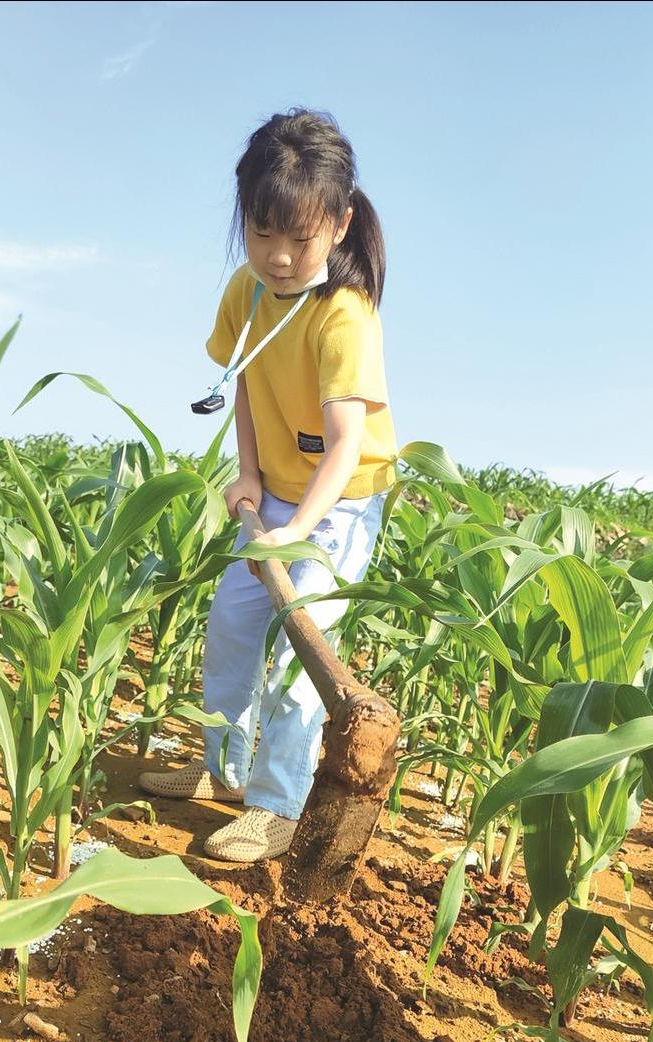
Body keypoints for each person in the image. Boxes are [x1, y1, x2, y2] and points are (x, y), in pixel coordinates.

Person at [139, 108, 399, 862]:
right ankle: (219, 767)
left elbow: (347, 443)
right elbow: (247, 383)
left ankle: (276, 806)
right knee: (230, 625)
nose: (279, 256)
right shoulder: (245, 294)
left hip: (340, 502)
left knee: (298, 651)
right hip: (277, 491)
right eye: (262, 233)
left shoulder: (344, 317)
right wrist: (249, 474)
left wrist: (296, 528)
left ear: (340, 225)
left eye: (300, 238)